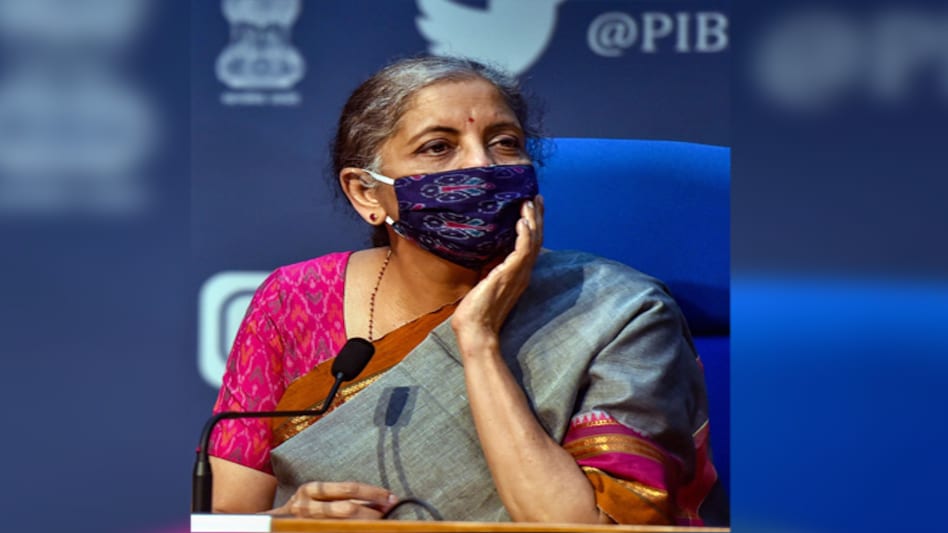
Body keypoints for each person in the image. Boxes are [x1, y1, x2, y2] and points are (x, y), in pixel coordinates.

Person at [208, 55, 728, 525]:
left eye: (505, 142)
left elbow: (584, 528)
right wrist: (286, 520)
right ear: (367, 193)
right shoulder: (295, 299)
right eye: (438, 147)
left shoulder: (620, 311)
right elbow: (228, 517)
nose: (482, 165)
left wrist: (477, 342)